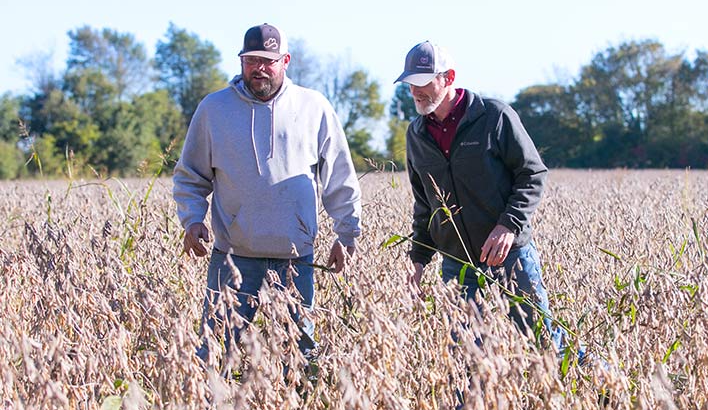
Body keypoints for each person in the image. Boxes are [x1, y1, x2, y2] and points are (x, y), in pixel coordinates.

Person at [173, 23, 361, 365]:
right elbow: (190, 176)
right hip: (232, 257)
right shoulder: (213, 110)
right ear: (241, 61)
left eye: (268, 61)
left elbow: (339, 175)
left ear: (285, 60)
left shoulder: (313, 106)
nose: (258, 68)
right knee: (213, 355)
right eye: (251, 60)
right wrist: (192, 219)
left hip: (295, 259)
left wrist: (346, 233)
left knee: (300, 359)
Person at [397, 41, 560, 344]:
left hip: (510, 255)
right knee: (466, 357)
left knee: (543, 341)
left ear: (449, 77)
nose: (415, 91)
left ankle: (598, 389)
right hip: (457, 263)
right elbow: (425, 204)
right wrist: (417, 259)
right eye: (410, 83)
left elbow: (532, 173)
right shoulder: (416, 135)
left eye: (423, 82)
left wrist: (508, 224)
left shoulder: (494, 116)